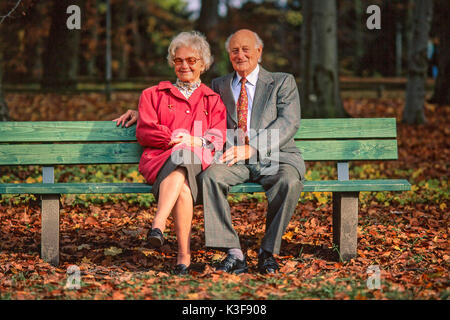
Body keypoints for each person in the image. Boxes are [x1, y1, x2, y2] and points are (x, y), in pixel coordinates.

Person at [115, 29, 305, 275]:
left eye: (246, 49)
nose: (240, 54)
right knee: (211, 178)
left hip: (273, 155)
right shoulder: (219, 85)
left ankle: (268, 252)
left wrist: (253, 148)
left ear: (259, 51)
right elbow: (188, 106)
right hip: (231, 157)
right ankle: (233, 252)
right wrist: (142, 113)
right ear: (228, 54)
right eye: (234, 50)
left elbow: (288, 123)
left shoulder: (282, 81)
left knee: (289, 181)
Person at [114, 31, 226, 275]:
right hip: (159, 162)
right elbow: (145, 132)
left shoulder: (213, 100)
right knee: (182, 175)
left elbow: (217, 139)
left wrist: (194, 140)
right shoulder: (152, 95)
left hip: (198, 165)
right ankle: (183, 257)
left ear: (203, 64)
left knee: (186, 162)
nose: (184, 65)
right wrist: (172, 138)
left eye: (191, 60)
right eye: (178, 60)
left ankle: (159, 224)